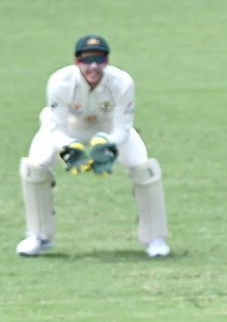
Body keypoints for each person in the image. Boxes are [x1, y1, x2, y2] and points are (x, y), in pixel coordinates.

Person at [17, 35, 170, 257]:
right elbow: (56, 128)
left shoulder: (122, 82)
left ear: (107, 61)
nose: (94, 66)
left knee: (144, 169)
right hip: (69, 127)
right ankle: (38, 236)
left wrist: (108, 144)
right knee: (35, 168)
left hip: (109, 128)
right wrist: (69, 146)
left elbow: (123, 127)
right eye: (87, 60)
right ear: (76, 61)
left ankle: (155, 238)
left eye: (99, 59)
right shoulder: (60, 81)